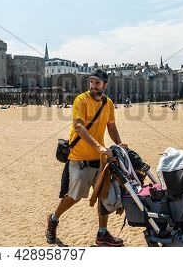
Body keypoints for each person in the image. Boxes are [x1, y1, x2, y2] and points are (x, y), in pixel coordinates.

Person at [46, 69, 126, 247]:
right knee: (74, 197)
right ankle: (53, 219)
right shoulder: (81, 100)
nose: (93, 86)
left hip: (100, 159)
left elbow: (111, 127)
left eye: (97, 83)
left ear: (105, 85)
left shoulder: (108, 103)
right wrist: (99, 146)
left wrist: (120, 145)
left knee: (104, 196)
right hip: (80, 158)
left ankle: (102, 234)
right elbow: (79, 127)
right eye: (91, 82)